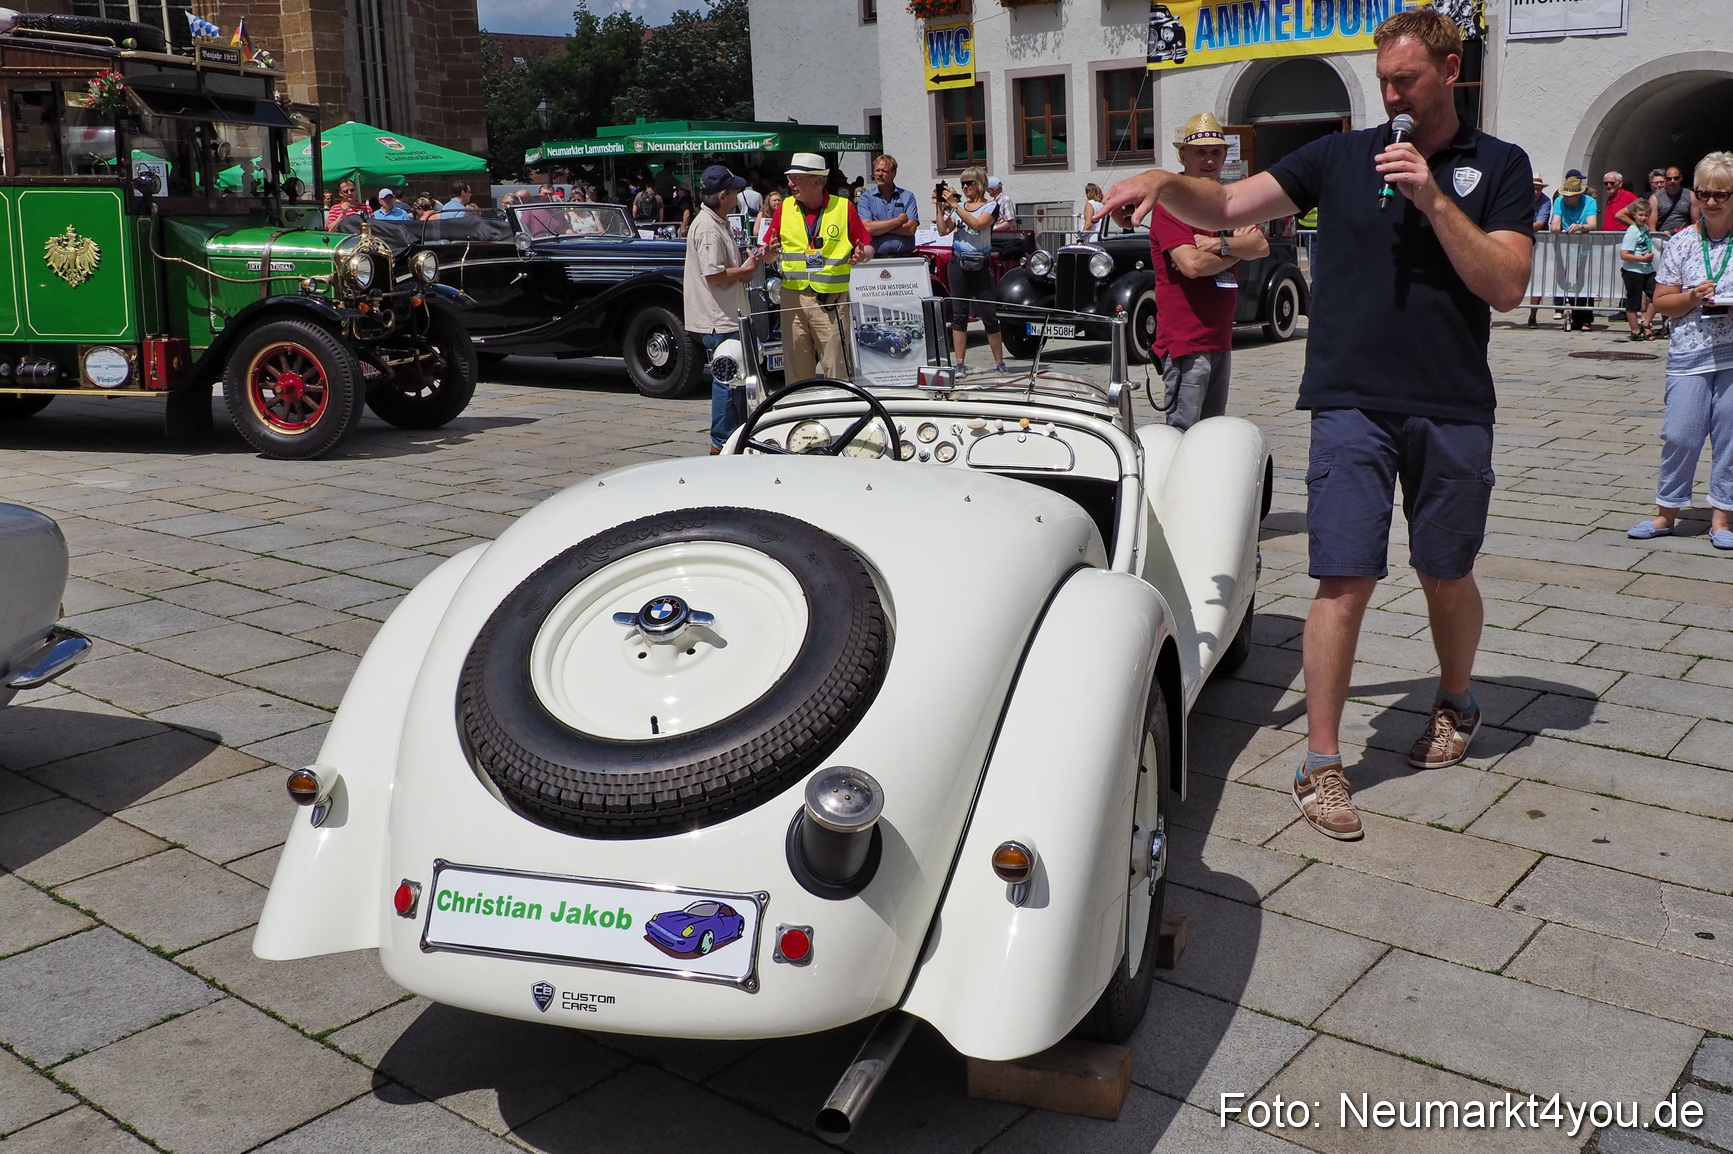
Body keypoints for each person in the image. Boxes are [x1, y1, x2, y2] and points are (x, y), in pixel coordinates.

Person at [1103, 7, 1533, 841]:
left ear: (1449, 71)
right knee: (1342, 576)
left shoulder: (1500, 166)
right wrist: (1163, 184)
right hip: (1348, 400)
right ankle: (1322, 761)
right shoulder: (1340, 155)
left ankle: (1454, 699)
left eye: (1405, 79)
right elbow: (1227, 199)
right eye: (1382, 81)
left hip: (1449, 403)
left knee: (1446, 571)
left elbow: (1506, 285)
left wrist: (1433, 198)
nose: (1391, 95)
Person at [1629, 152, 1733, 550]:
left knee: (1730, 433)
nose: (1710, 201)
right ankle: (1666, 511)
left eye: (1721, 194)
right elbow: (1662, 300)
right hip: (1690, 352)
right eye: (1703, 193)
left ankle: (1722, 516)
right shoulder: (1683, 242)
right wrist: (1691, 296)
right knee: (1681, 433)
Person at [1149, 113, 1270, 431]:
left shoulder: (1226, 201)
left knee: (1211, 435)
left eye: (1216, 152)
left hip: (1220, 337)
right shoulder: (1171, 203)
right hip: (1186, 342)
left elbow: (1260, 246)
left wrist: (1219, 246)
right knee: (1182, 434)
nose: (1209, 159)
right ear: (1183, 156)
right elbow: (1192, 266)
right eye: (1200, 152)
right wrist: (1236, 247)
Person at [765, 152, 873, 382]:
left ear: (816, 181)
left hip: (831, 302)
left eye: (796, 178)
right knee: (796, 371)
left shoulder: (843, 208)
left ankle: (839, 411)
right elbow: (765, 253)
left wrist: (862, 255)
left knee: (837, 367)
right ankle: (798, 414)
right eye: (790, 178)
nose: (790, 183)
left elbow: (868, 247)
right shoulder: (785, 208)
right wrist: (768, 252)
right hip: (793, 299)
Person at [684, 165, 762, 453]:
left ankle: (734, 437)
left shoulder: (717, 221)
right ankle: (721, 441)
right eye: (734, 190)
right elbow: (714, 274)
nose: (739, 194)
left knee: (737, 379)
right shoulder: (707, 227)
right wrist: (745, 270)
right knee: (728, 380)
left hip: (729, 314)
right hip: (720, 317)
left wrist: (752, 261)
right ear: (724, 195)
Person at [934, 166, 1007, 375]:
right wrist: (940, 207)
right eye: (963, 183)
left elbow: (976, 224)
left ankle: (999, 362)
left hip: (981, 264)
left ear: (980, 184)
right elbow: (942, 230)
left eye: (970, 183)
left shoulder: (991, 206)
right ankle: (959, 363)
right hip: (959, 263)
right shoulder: (960, 207)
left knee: (989, 314)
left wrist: (955, 206)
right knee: (959, 314)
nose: (965, 187)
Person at [1551, 174, 1599, 331]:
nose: (1566, 198)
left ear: (1578, 195)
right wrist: (1555, 226)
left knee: (1584, 282)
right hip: (1565, 247)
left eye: (1570, 196)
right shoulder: (1559, 201)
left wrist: (1580, 226)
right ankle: (1575, 318)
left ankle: (1586, 319)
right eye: (1565, 195)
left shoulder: (1590, 201)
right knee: (1569, 282)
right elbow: (1555, 219)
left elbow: (1592, 224)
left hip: (1584, 247)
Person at [857, 154, 920, 258]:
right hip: (876, 258)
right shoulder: (866, 198)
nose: (880, 174)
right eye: (877, 170)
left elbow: (910, 229)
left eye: (884, 171)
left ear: (894, 173)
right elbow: (867, 228)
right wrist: (898, 221)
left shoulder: (907, 196)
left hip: (904, 258)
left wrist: (878, 228)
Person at [1619, 196, 1660, 341]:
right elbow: (1624, 255)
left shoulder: (1645, 228)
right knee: (1633, 302)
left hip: (1648, 270)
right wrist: (1642, 259)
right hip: (1633, 271)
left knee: (1657, 297)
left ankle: (1646, 324)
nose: (1643, 218)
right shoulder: (1633, 231)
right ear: (1634, 215)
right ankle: (1635, 329)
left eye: (1646, 215)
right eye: (1640, 215)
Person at [1526, 173, 1551, 327]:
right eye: (1534, 188)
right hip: (1521, 238)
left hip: (1538, 241)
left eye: (1539, 189)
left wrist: (1520, 226)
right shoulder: (1518, 198)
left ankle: (1532, 315)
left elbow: (1541, 222)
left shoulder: (1545, 201)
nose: (1536, 192)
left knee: (1538, 277)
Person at [1652, 166, 1698, 234]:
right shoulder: (1655, 198)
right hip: (1663, 237)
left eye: (1676, 178)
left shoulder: (1690, 195)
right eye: (1669, 179)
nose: (1672, 181)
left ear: (1681, 178)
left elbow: (1695, 222)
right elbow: (1651, 226)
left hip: (1683, 236)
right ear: (1665, 179)